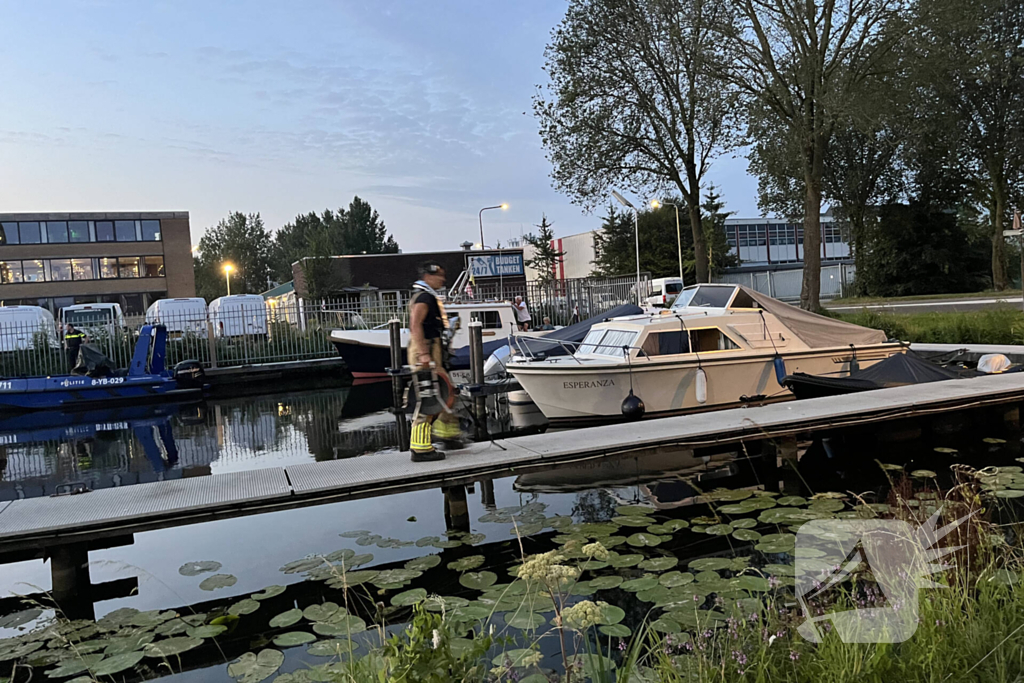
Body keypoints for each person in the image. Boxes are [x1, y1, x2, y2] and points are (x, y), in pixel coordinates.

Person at [408, 261, 462, 462]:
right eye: (439, 275)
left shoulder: (427, 295)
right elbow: (415, 325)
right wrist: (424, 355)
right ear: (428, 276)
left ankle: (448, 435)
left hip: (433, 350)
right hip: (426, 351)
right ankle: (420, 448)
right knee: (429, 398)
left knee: (446, 393)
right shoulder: (424, 297)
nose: (443, 279)